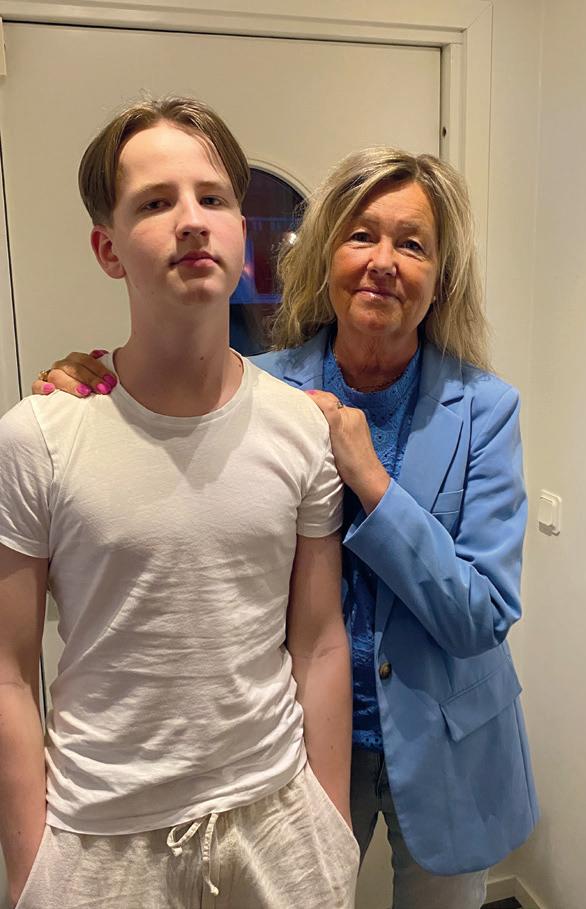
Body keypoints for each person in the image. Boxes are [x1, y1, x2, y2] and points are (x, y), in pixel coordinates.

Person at [34, 146, 539, 908]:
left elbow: (483, 613)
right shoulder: (259, 385)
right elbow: (163, 434)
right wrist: (93, 381)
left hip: (451, 750)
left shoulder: (486, 409)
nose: (383, 262)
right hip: (298, 746)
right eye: (362, 235)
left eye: (412, 244)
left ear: (441, 277)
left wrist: (371, 481)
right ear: (329, 254)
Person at [0, 97, 360, 909]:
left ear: (241, 229)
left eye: (213, 197)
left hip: (279, 825)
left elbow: (319, 641)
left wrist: (331, 830)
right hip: (101, 841)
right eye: (156, 202)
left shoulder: (302, 427)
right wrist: (29, 873)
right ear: (109, 248)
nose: (192, 220)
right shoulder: (38, 438)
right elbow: (9, 672)